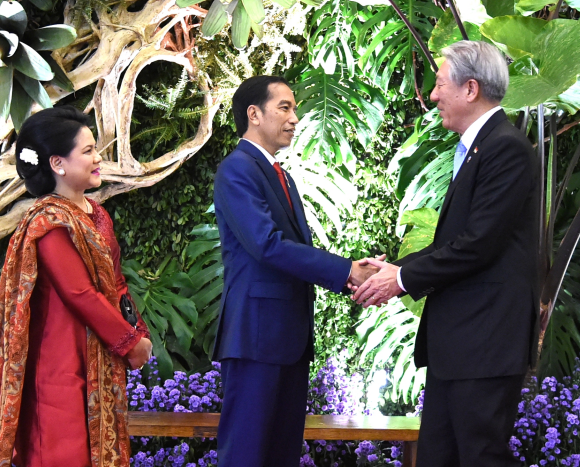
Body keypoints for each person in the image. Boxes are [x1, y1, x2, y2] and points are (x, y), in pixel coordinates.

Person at [353, 41, 539, 466]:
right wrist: (393, 270)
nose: (432, 95)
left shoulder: (505, 148)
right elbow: (453, 244)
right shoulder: (479, 148)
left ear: (470, 89)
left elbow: (477, 245)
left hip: (484, 345)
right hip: (460, 346)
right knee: (440, 456)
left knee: (479, 457)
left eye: (439, 84)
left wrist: (398, 281)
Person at [0, 106, 153, 467]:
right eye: (88, 151)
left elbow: (115, 282)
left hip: (96, 356)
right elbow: (78, 293)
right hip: (59, 366)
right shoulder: (49, 222)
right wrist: (129, 342)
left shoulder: (95, 214)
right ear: (58, 163)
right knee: (62, 453)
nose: (99, 158)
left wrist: (137, 330)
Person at [212, 75, 377, 467]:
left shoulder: (279, 174)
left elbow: (291, 250)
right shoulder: (237, 170)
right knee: (247, 453)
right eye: (284, 108)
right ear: (254, 114)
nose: (295, 118)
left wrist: (348, 273)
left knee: (280, 452)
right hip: (256, 335)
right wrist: (346, 271)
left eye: (295, 109)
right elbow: (267, 244)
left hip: (286, 337)